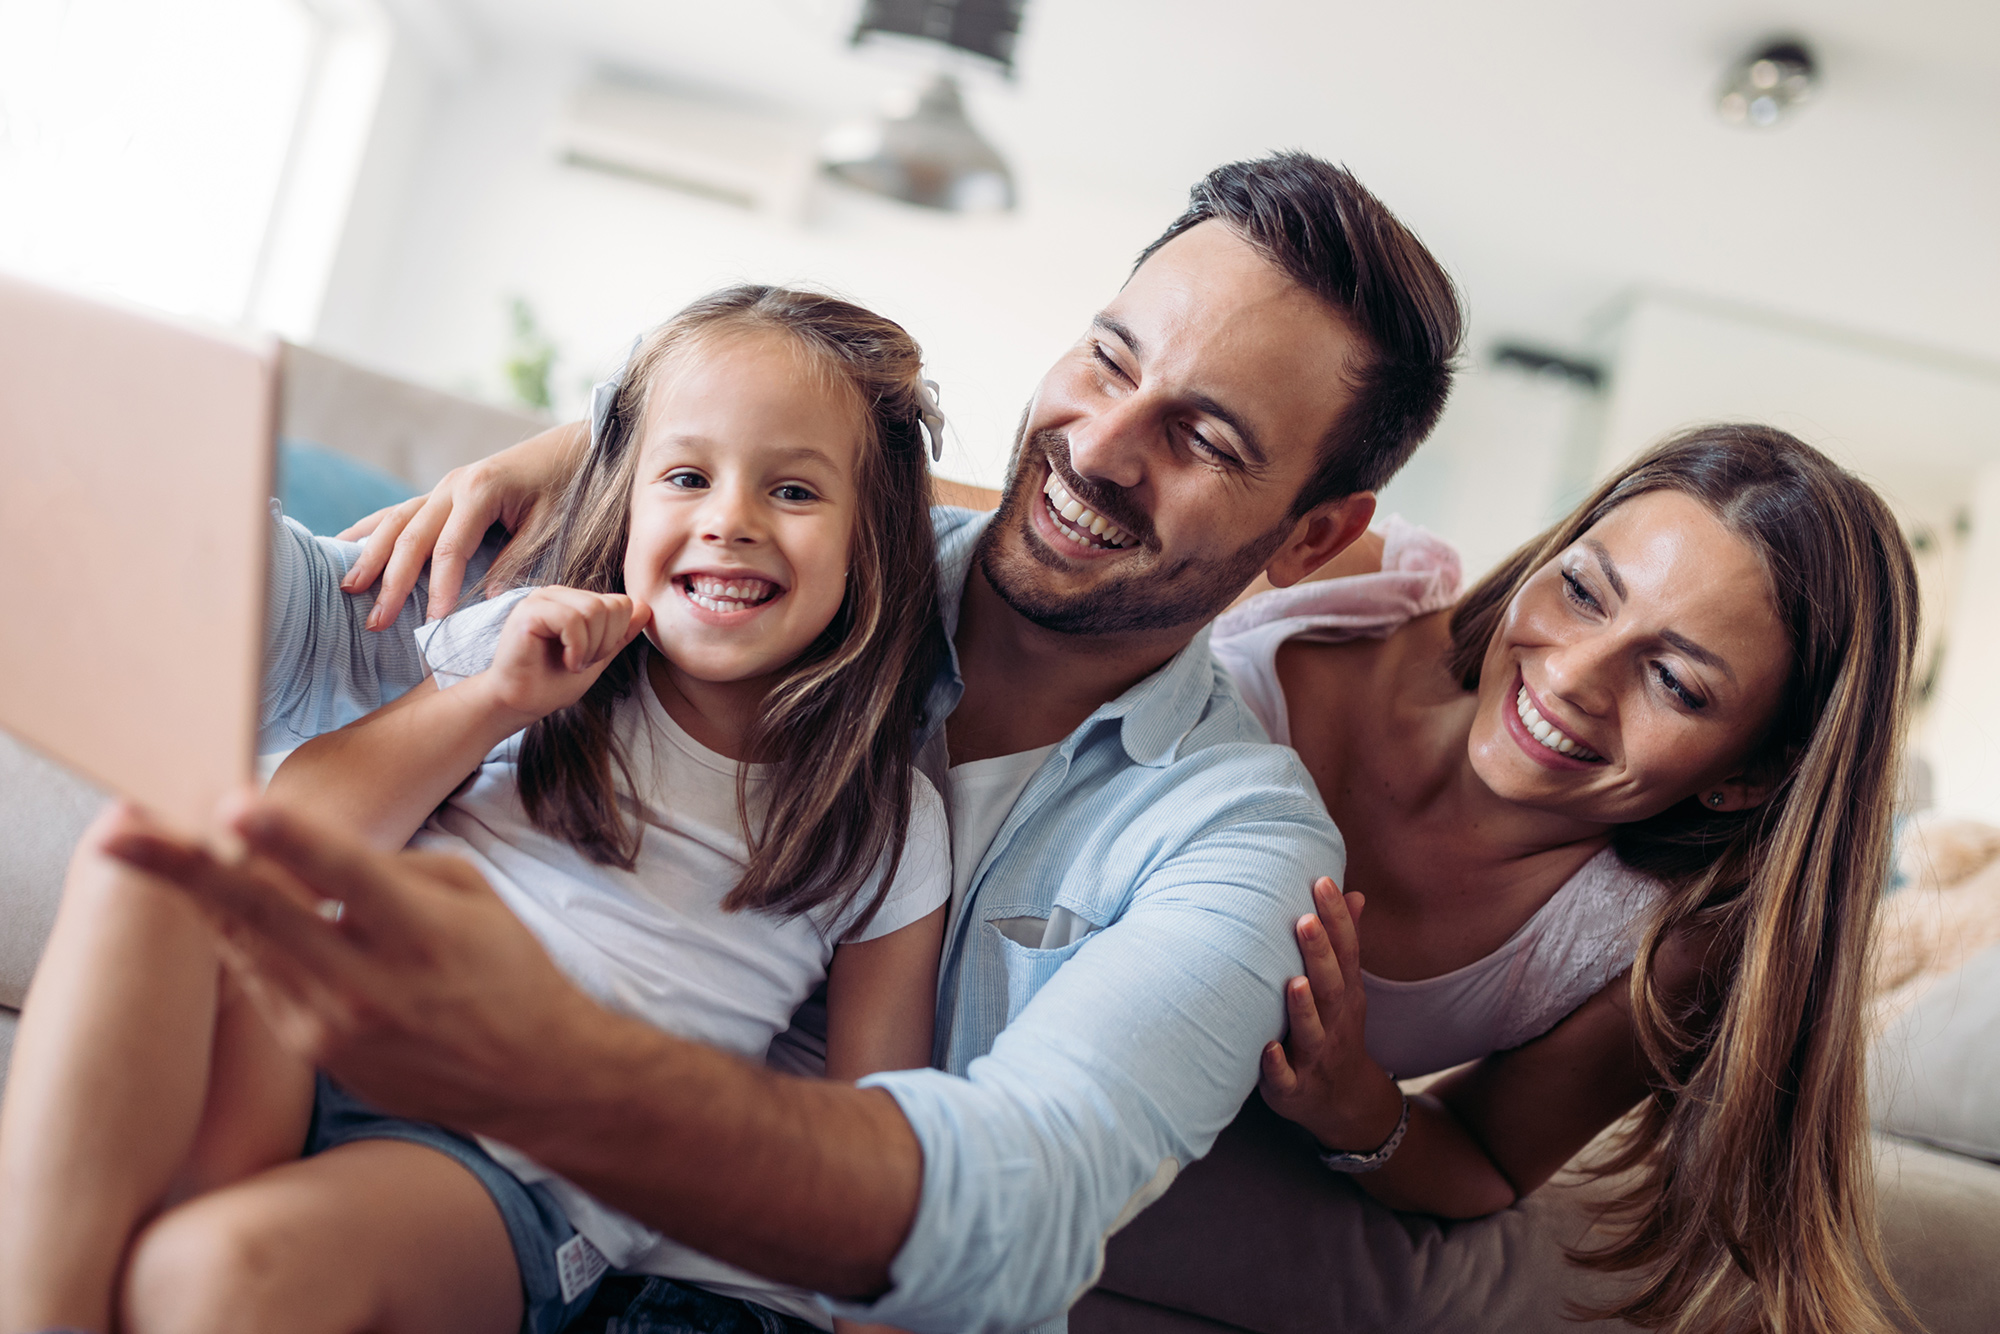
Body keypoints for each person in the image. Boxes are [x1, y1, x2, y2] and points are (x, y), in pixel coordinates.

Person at [0, 153, 1464, 1334]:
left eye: (1207, 439)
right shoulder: (695, 575)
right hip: (320, 1063)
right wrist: (589, 456)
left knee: (227, 1273)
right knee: (145, 851)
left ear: (1318, 535)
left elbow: (1020, 1196)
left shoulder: (1235, 845)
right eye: (1106, 358)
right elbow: (300, 634)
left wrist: (550, 1062)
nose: (1099, 443)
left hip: (591, 1214)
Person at [0, 288, 959, 1334]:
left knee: (214, 1274)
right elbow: (295, 831)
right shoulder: (522, 643)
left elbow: (870, 1155)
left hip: (503, 1169)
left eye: (792, 490)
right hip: (314, 1034)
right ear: (623, 502)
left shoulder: (884, 818)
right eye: (685, 476)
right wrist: (493, 697)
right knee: (139, 854)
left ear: (873, 540)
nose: (728, 519)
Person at [1212, 424, 1917, 1333]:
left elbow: (1489, 1160)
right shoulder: (1345, 580)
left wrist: (1354, 1101)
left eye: (1673, 680)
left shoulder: (1653, 943)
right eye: (1585, 590)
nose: (1575, 675)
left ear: (1750, 774)